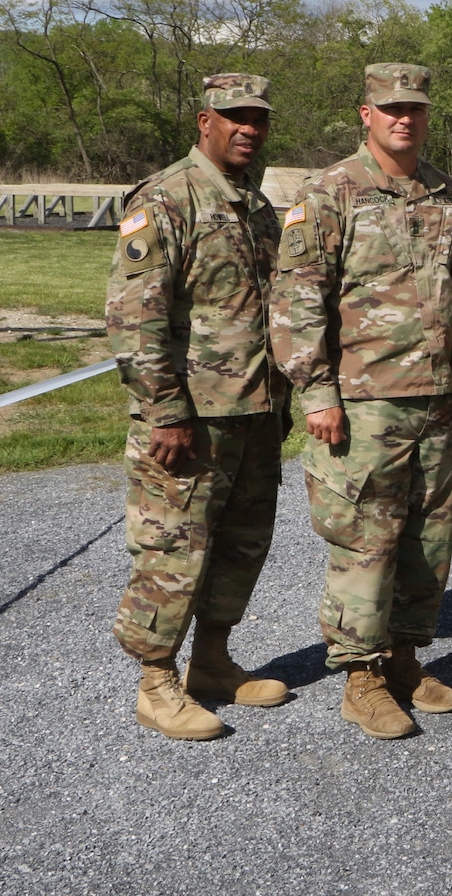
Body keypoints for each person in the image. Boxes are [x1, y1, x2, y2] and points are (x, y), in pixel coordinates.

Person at [269, 64, 452, 740]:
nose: (403, 119)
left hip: (438, 400)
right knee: (364, 543)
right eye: (390, 109)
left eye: (414, 108)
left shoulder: (445, 192)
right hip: (362, 403)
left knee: (428, 544)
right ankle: (361, 677)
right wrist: (316, 390)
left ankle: (407, 659)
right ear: (366, 114)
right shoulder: (330, 191)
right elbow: (297, 297)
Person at [106, 73, 289, 740]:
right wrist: (164, 411)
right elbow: (134, 319)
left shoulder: (257, 206)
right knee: (172, 548)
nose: (248, 128)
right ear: (203, 120)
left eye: (258, 118)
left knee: (242, 545)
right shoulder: (165, 199)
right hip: (189, 418)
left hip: (253, 411)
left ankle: (212, 662)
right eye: (233, 116)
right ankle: (157, 682)